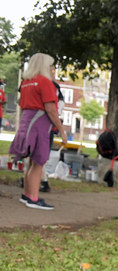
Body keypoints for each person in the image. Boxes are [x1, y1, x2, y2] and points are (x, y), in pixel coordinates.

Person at [9, 53, 67, 210]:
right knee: (39, 161)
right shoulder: (45, 82)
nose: (52, 68)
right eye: (50, 65)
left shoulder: (26, 82)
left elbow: (21, 102)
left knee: (31, 161)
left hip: (27, 122)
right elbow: (51, 109)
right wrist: (61, 130)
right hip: (40, 124)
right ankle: (33, 198)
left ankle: (27, 194)